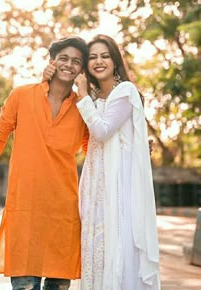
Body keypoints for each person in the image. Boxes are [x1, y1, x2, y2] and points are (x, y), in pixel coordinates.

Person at [0, 37, 89, 290]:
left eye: (76, 61)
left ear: (82, 70)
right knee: (25, 286)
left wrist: (135, 147)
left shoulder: (84, 107)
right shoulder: (22, 95)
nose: (69, 65)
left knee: (58, 286)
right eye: (64, 58)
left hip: (64, 212)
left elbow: (99, 149)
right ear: (52, 62)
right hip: (25, 208)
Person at [74, 34, 161, 290]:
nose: (99, 61)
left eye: (104, 56)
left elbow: (102, 131)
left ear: (114, 60)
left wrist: (81, 96)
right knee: (96, 245)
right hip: (95, 180)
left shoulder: (125, 91)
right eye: (92, 57)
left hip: (118, 182)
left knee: (118, 241)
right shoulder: (93, 96)